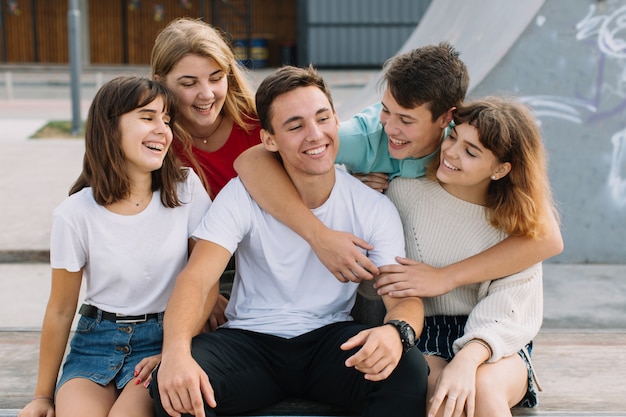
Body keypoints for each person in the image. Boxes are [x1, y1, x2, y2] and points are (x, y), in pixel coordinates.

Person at [149, 65, 429, 417]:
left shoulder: (373, 207)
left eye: (323, 118)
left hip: (330, 337)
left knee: (408, 369)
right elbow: (197, 277)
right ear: (268, 139)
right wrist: (175, 352)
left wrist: (395, 333)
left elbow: (403, 298)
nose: (315, 135)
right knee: (176, 387)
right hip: (249, 341)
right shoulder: (243, 194)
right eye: (295, 126)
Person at [233, 43, 563, 298]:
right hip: (387, 277)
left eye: (406, 120)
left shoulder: (465, 144)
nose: (390, 127)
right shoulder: (366, 137)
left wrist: (446, 277)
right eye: (387, 110)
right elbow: (251, 160)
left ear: (446, 118)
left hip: (456, 277)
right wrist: (322, 230)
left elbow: (547, 239)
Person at [18, 76, 212, 417]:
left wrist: (175, 349)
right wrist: (42, 396)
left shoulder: (186, 190)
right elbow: (61, 309)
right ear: (110, 127)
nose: (162, 130)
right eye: (147, 117)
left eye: (166, 120)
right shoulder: (74, 214)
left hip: (163, 337)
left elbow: (205, 280)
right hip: (94, 342)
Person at [378, 96, 553, 416]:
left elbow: (511, 309)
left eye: (471, 152)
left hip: (496, 340)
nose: (451, 153)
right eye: (453, 137)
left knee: (483, 389)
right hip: (426, 331)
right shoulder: (405, 193)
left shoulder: (516, 223)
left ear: (501, 169)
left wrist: (469, 357)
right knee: (446, 394)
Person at [151, 17, 262, 200]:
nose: (207, 94)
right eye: (189, 83)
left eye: (216, 78)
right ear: (160, 82)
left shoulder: (259, 124)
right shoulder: (153, 139)